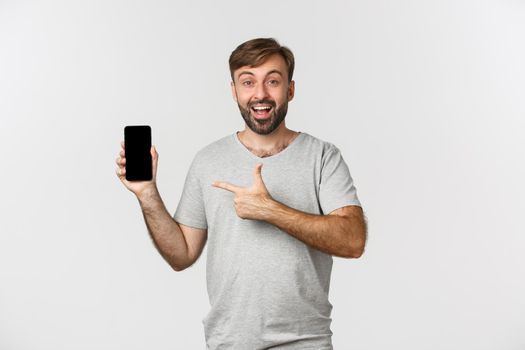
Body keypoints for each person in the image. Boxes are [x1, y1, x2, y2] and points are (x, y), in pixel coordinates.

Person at [116, 37, 367, 350]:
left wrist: (270, 210)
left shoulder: (322, 157)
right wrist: (147, 193)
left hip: (306, 343)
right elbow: (181, 255)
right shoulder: (208, 160)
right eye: (248, 82)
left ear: (290, 89)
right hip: (229, 343)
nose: (260, 94)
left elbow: (353, 240)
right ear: (234, 91)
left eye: (272, 81)